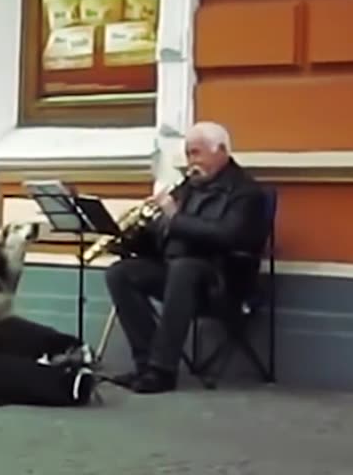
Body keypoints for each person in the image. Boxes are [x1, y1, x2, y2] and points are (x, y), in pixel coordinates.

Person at [104, 121, 269, 394]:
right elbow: (167, 234)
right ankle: (145, 365)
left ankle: (163, 370)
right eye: (188, 154)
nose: (191, 161)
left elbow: (228, 236)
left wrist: (175, 217)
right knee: (121, 273)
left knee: (185, 269)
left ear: (221, 151)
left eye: (196, 153)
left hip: (223, 280)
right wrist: (137, 235)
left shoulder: (246, 193)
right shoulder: (189, 185)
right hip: (179, 273)